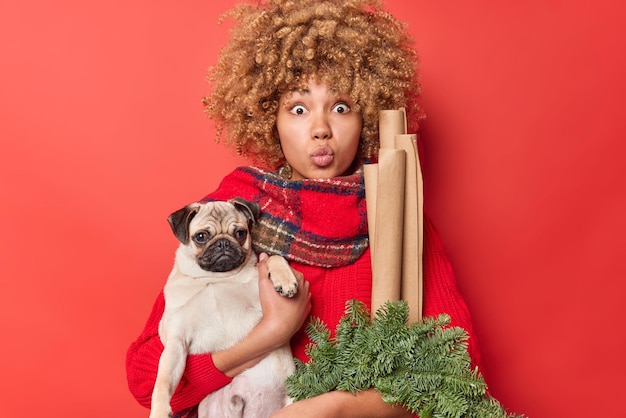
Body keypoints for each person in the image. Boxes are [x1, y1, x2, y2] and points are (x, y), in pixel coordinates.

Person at [126, 0, 483, 417]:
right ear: (267, 117)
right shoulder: (234, 217)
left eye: (342, 106)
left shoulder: (400, 218)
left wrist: (335, 409)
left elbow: (459, 376)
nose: (320, 128)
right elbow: (144, 379)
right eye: (298, 108)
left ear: (366, 116)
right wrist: (271, 333)